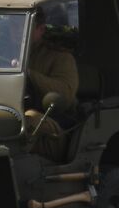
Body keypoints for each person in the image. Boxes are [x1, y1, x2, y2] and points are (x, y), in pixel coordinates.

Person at [24, 9, 80, 158]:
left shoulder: (60, 57)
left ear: (40, 29)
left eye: (22, 25)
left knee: (28, 119)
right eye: (13, 25)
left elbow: (65, 94)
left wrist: (29, 74)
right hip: (12, 114)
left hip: (55, 124)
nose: (16, 31)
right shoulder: (5, 52)